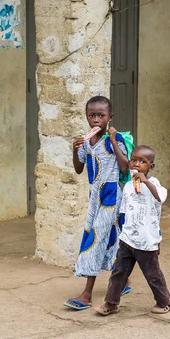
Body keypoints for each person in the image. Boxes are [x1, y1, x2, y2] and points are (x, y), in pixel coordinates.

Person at [64, 96, 130, 310]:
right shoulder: (86, 141)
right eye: (91, 115)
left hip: (111, 196)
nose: (95, 120)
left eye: (101, 116)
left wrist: (112, 140)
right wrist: (75, 149)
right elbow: (78, 168)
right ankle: (124, 280)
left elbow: (124, 168)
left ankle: (87, 294)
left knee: (95, 238)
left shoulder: (116, 139)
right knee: (112, 238)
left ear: (110, 117)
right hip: (95, 197)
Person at [95, 145, 170, 316]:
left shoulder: (154, 184)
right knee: (118, 273)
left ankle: (165, 301)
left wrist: (145, 181)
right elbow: (124, 211)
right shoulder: (129, 186)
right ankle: (111, 303)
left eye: (142, 162)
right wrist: (122, 233)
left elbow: (160, 197)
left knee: (153, 275)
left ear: (150, 166)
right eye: (134, 160)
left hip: (146, 241)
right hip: (127, 239)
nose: (137, 165)